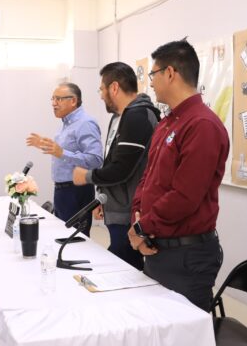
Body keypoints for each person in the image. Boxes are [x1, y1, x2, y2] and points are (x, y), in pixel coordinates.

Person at [127, 40, 229, 312]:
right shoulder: (167, 123)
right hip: (157, 247)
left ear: (170, 73)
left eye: (153, 74)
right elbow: (148, 178)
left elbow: (184, 196)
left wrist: (142, 227)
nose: (150, 82)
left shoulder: (202, 125)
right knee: (154, 325)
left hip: (186, 256)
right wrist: (138, 217)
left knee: (184, 329)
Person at [72, 63, 160, 270]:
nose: (101, 96)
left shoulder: (138, 116)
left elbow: (122, 168)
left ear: (114, 87)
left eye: (101, 89)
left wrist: (87, 176)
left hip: (129, 212)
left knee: (125, 270)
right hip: (117, 208)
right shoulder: (119, 117)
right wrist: (101, 196)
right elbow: (111, 160)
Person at [26, 83, 103, 236]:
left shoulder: (85, 123)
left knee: (75, 241)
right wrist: (47, 146)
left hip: (77, 191)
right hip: (63, 190)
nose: (54, 103)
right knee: (63, 238)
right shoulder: (66, 124)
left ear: (73, 100)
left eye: (59, 99)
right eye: (53, 99)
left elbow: (96, 159)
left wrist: (62, 152)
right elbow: (64, 153)